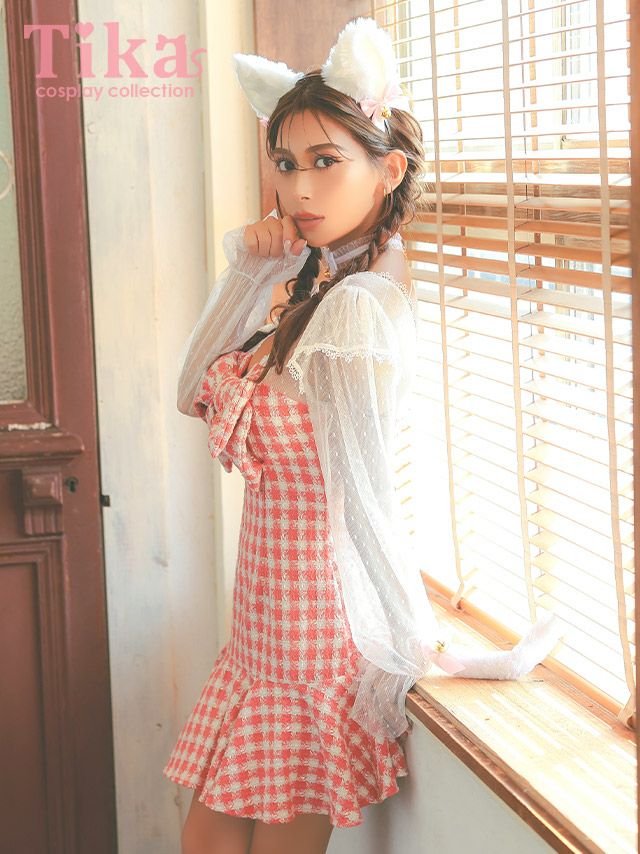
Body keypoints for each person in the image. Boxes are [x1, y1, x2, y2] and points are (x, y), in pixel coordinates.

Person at [163, 17, 565, 854]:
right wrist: (252, 270)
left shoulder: (360, 308)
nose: (299, 190)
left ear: (388, 171)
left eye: (325, 162)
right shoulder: (318, 281)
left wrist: (415, 640)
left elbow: (368, 490)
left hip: (317, 636)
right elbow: (189, 390)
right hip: (263, 631)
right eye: (285, 164)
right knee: (202, 840)